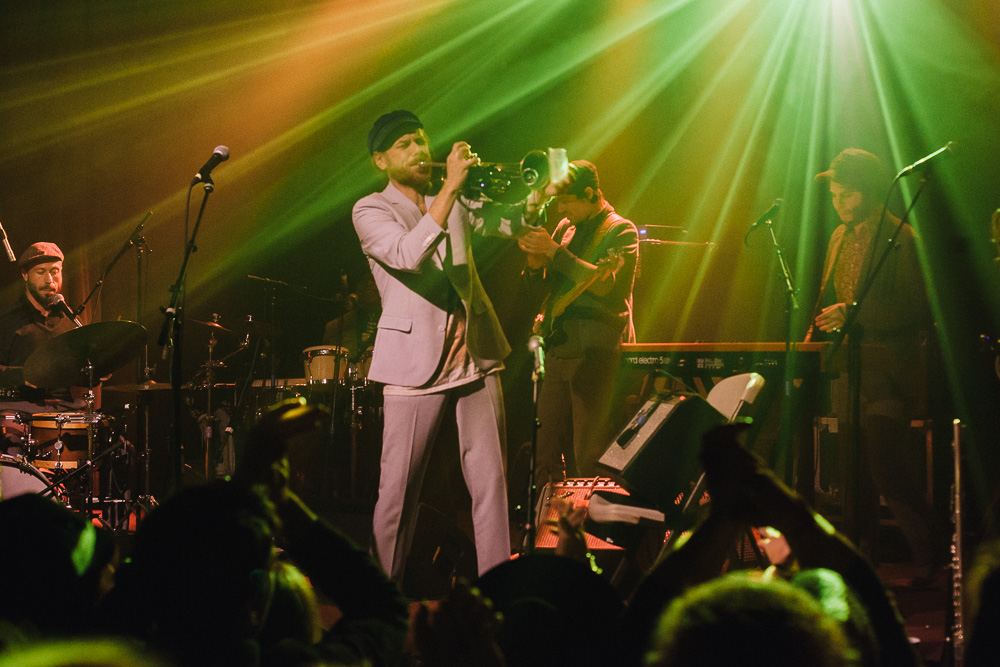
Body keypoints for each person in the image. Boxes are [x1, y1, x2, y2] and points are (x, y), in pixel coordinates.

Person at [353, 110, 564, 582]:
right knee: (397, 494)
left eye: (423, 140)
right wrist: (449, 189)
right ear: (380, 159)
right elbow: (408, 255)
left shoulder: (452, 197)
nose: (420, 150)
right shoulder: (370, 209)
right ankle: (379, 595)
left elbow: (509, 226)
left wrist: (538, 197)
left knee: (491, 486)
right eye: (406, 143)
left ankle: (498, 589)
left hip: (475, 356)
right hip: (411, 367)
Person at [808, 148, 940, 581]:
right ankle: (860, 561)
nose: (838, 203)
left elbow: (919, 310)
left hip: (891, 372)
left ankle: (928, 556)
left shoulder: (902, 238)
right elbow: (833, 297)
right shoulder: (838, 238)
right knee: (850, 472)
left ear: (867, 192)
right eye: (834, 195)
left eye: (846, 195)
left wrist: (853, 313)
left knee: (887, 465)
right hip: (850, 367)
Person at [517, 160, 638, 480]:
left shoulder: (620, 230)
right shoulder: (564, 228)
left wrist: (555, 252)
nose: (561, 210)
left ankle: (590, 526)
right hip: (558, 344)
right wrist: (533, 258)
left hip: (594, 350)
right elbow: (540, 286)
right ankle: (549, 523)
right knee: (544, 448)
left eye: (567, 201)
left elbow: (604, 286)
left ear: (590, 194)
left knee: (588, 450)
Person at [0, 242, 91, 454]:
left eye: (55, 272)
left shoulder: (70, 322)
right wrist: (24, 375)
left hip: (64, 410)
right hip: (18, 409)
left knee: (116, 447)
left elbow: (81, 373)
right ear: (25, 275)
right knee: (9, 445)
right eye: (41, 272)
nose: (49, 280)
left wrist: (100, 368)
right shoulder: (6, 321)